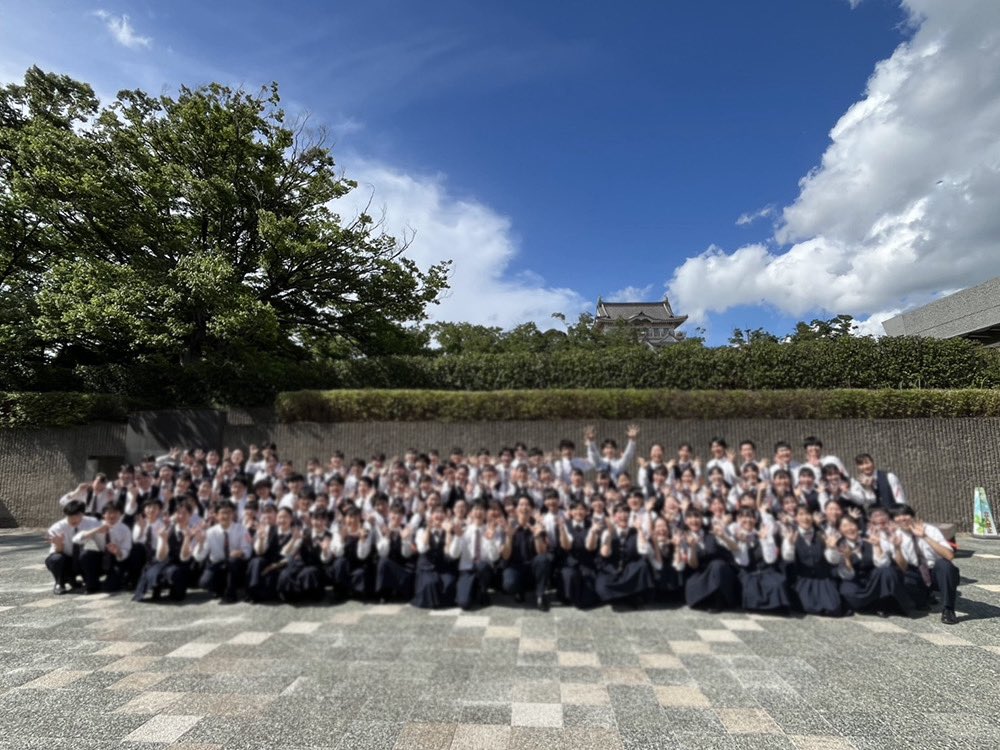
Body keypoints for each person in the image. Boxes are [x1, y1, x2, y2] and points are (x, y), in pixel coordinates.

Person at [891, 505, 961, 624]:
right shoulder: (895, 536)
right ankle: (923, 597)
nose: (902, 519)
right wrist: (897, 548)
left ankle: (948, 609)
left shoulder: (930, 530)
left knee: (945, 566)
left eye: (905, 515)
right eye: (898, 517)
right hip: (915, 575)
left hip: (935, 573)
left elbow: (949, 555)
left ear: (912, 517)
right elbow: (902, 566)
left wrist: (924, 536)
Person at [835, 514, 911, 617]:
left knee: (887, 571)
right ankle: (868, 606)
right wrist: (847, 559)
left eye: (851, 524)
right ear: (840, 530)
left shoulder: (871, 538)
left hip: (874, 578)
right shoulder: (838, 545)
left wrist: (877, 545)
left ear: (857, 526)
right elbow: (847, 576)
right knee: (847, 590)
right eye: (845, 526)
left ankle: (884, 604)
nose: (849, 528)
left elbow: (883, 564)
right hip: (855, 580)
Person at [781, 504, 842, 616]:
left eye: (808, 514)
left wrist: (832, 548)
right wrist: (790, 545)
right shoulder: (791, 534)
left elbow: (833, 561)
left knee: (834, 609)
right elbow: (787, 558)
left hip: (822, 579)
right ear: (796, 518)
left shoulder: (822, 534)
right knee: (810, 608)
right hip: (803, 579)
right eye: (801, 514)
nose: (805, 517)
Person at [132, 500, 197, 602]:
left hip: (184, 564)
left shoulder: (194, 531)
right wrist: (164, 540)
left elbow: (184, 558)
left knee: (174, 574)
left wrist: (187, 538)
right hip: (166, 560)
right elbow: (160, 556)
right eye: (178, 513)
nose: (181, 516)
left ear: (191, 515)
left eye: (184, 513)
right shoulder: (166, 529)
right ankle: (156, 587)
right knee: (152, 571)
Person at [680, 507, 739, 612]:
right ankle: (707, 599)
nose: (694, 520)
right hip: (700, 572)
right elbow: (693, 565)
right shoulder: (684, 538)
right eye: (690, 517)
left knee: (717, 565)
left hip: (721, 570)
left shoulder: (713, 533)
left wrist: (723, 536)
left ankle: (719, 600)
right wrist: (692, 548)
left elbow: (735, 548)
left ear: (702, 519)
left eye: (697, 516)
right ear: (685, 521)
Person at [193, 500, 252, 603]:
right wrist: (201, 543)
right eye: (223, 513)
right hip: (218, 565)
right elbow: (199, 557)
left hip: (235, 565)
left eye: (229, 512)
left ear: (233, 514)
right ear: (216, 515)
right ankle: (221, 588)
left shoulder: (241, 529)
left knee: (233, 561)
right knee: (204, 583)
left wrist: (240, 552)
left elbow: (248, 551)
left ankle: (231, 593)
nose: (226, 516)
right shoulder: (210, 532)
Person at [500, 495, 553, 611]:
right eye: (521, 504)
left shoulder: (537, 526)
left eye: (527, 504)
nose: (524, 507)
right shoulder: (509, 526)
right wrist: (509, 537)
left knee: (543, 560)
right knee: (509, 585)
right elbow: (505, 556)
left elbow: (542, 553)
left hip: (533, 567)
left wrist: (537, 536)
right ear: (515, 508)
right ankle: (520, 590)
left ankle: (540, 595)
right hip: (515, 566)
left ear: (532, 508)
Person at [596, 503, 654, 607]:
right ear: (614, 517)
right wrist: (610, 532)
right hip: (611, 568)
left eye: (626, 512)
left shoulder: (636, 531)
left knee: (642, 565)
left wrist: (640, 529)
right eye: (619, 512)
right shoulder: (607, 532)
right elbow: (604, 553)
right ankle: (623, 596)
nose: (623, 515)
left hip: (629, 569)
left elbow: (644, 551)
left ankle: (629, 595)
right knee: (602, 587)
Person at [731, 508, 788, 613]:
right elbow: (742, 562)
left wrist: (764, 540)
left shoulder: (762, 533)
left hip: (765, 571)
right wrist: (743, 542)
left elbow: (770, 559)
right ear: (738, 520)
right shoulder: (734, 536)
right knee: (751, 587)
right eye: (744, 517)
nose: (748, 520)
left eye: (751, 517)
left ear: (755, 520)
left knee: (777, 584)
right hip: (748, 572)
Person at [72, 504, 132, 593]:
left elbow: (126, 549)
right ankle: (92, 584)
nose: (112, 516)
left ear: (120, 515)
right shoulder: (97, 525)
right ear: (104, 515)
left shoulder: (124, 529)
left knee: (110, 587)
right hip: (102, 557)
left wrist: (118, 551)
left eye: (115, 513)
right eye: (109, 513)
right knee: (86, 554)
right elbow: (76, 539)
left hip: (117, 559)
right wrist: (95, 531)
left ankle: (120, 579)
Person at [451, 501, 500, 610]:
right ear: (470, 513)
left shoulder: (491, 530)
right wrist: (457, 537)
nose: (478, 512)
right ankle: (473, 589)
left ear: (486, 513)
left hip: (484, 570)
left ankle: (483, 590)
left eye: (481, 509)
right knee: (464, 603)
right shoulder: (464, 530)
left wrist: (491, 540)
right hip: (467, 570)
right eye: (475, 509)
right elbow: (454, 555)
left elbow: (494, 558)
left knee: (482, 565)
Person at [45, 500, 100, 594]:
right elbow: (57, 552)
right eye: (69, 516)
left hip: (81, 559)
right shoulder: (57, 528)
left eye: (76, 516)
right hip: (64, 559)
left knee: (90, 556)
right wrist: (59, 544)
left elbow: (102, 540)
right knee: (56, 559)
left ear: (83, 514)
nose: (72, 520)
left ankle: (89, 582)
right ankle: (60, 583)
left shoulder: (92, 522)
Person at [411, 505, 458, 609]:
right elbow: (422, 549)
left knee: (450, 583)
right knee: (431, 583)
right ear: (431, 516)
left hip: (442, 567)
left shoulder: (450, 531)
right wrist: (428, 529)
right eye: (436, 512)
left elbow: (449, 553)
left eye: (442, 512)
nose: (439, 515)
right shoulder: (422, 530)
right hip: (426, 567)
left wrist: (449, 532)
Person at [247, 504, 295, 603]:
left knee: (271, 585)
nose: (282, 520)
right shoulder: (268, 530)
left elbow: (290, 557)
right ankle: (253, 592)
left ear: (291, 519)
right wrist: (260, 539)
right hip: (268, 563)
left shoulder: (295, 533)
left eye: (285, 517)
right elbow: (260, 551)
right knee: (256, 561)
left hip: (283, 566)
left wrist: (273, 566)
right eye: (280, 517)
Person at [558, 501, 600, 609]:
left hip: (587, 563)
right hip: (570, 563)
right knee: (569, 576)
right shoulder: (565, 525)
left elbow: (590, 547)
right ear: (571, 512)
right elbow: (566, 546)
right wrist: (562, 530)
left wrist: (594, 532)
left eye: (581, 509)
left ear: (586, 512)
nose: (578, 512)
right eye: (575, 509)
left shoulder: (592, 525)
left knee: (587, 600)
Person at [330, 506, 375, 601]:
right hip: (344, 564)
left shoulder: (366, 531)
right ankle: (340, 591)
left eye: (355, 517)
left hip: (359, 564)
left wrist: (362, 540)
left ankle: (356, 592)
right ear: (345, 518)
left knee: (361, 573)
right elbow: (338, 553)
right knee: (339, 562)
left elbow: (362, 556)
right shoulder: (339, 531)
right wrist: (342, 539)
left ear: (360, 518)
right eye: (349, 517)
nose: (352, 520)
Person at [374, 503, 416, 602]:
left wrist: (405, 539)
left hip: (403, 568)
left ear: (403, 517)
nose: (396, 516)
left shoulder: (407, 529)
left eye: (399, 514)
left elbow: (406, 554)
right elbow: (382, 553)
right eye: (394, 513)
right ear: (389, 513)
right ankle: (382, 594)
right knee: (383, 561)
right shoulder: (382, 529)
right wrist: (387, 537)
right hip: (387, 565)